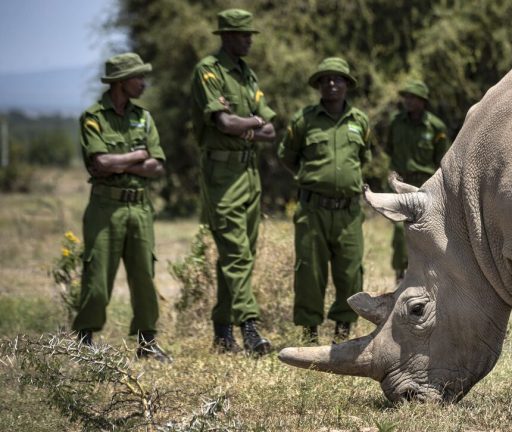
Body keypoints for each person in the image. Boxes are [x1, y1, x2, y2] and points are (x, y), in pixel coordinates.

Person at [72, 52, 170, 362]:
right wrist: (136, 156)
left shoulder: (144, 117)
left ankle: (147, 343)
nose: (144, 82)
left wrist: (121, 164)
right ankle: (85, 341)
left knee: (144, 278)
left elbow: (157, 167)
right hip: (105, 208)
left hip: (140, 210)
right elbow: (99, 163)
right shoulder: (93, 117)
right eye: (138, 77)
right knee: (97, 277)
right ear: (121, 81)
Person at [190, 8, 276, 356]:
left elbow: (269, 129)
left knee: (240, 255)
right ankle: (250, 328)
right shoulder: (208, 71)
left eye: (250, 35)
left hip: (249, 172)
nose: (249, 40)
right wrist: (251, 122)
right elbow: (223, 123)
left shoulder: (247, 75)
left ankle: (222, 333)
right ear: (226, 37)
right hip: (221, 174)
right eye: (243, 35)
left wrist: (249, 122)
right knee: (236, 253)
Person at [278, 57, 372, 343]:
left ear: (346, 85)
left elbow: (363, 157)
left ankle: (343, 332)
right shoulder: (303, 120)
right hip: (312, 210)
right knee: (309, 271)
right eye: (326, 79)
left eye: (338, 79)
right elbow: (287, 156)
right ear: (319, 85)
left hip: (348, 212)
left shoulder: (359, 121)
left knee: (351, 272)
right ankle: (309, 333)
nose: (332, 83)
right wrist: (314, 180)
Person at [385, 79, 451, 282]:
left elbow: (443, 160)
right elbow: (389, 149)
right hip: (401, 184)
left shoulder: (435, 127)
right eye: (407, 97)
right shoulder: (396, 123)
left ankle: (431, 274)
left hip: (425, 186)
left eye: (413, 98)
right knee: (399, 230)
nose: (408, 101)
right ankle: (400, 273)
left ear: (423, 101)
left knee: (427, 231)